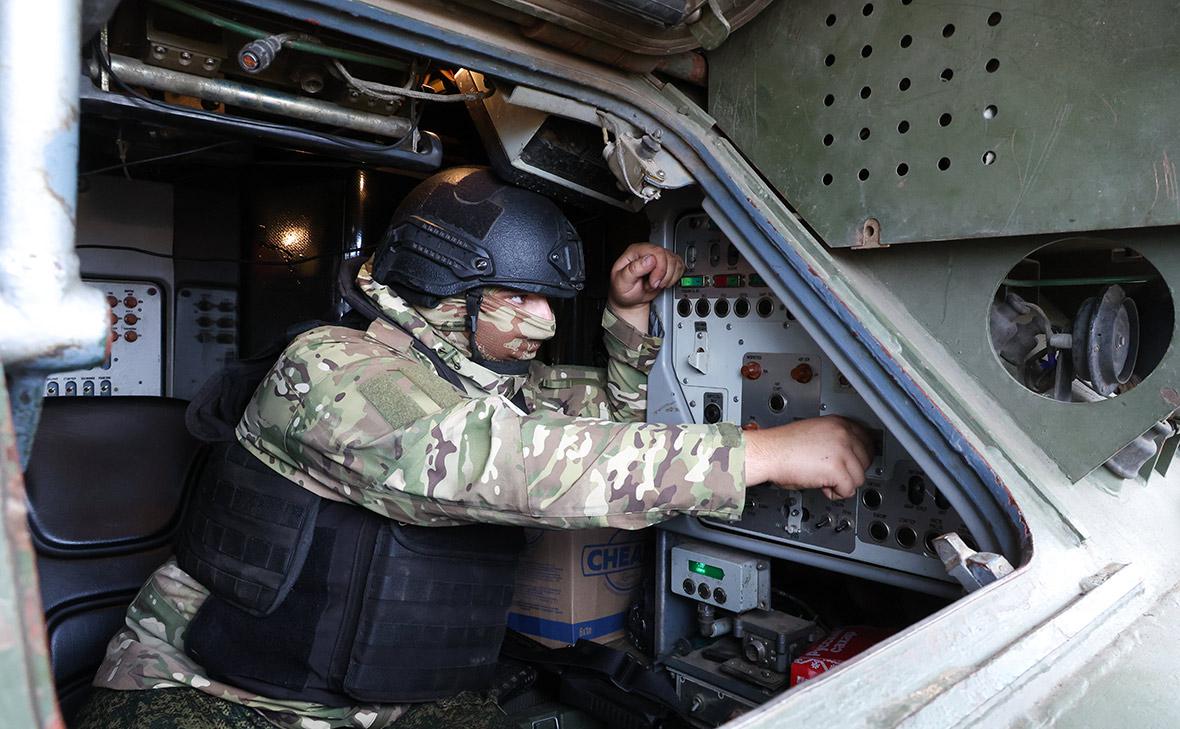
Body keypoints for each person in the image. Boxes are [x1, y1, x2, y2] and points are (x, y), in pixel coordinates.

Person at [76, 167, 872, 729]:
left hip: (388, 700)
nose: (545, 322)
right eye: (520, 297)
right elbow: (491, 462)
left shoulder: (483, 384)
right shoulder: (335, 368)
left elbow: (614, 425)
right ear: (446, 289)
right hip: (210, 699)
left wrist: (628, 316)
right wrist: (758, 455)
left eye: (550, 300)